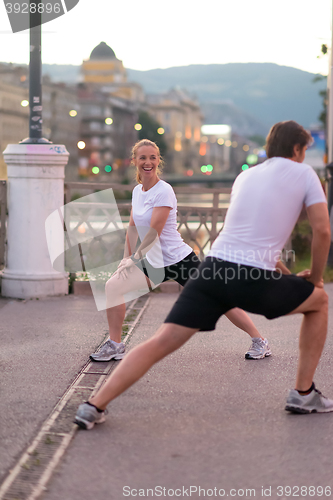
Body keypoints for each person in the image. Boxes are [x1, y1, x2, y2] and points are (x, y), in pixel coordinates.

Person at [74, 120, 333, 430]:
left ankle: (93, 405)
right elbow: (322, 230)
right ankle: (303, 393)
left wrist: (288, 274)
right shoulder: (304, 173)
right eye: (304, 150)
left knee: (161, 342)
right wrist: (316, 279)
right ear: (296, 149)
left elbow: (250, 238)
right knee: (318, 301)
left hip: (212, 269)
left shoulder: (246, 177)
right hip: (250, 276)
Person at [90, 138, 269, 363]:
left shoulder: (164, 191)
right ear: (134, 160)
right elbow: (133, 227)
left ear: (158, 161)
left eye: (152, 157)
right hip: (152, 260)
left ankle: (259, 340)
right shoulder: (137, 191)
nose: (148, 162)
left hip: (178, 259)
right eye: (143, 157)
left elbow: (154, 230)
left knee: (219, 298)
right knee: (113, 287)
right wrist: (126, 259)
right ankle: (115, 345)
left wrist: (135, 257)